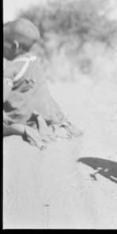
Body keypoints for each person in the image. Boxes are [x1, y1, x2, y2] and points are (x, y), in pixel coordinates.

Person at [3, 18, 82, 149]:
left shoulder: (11, 69)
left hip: (20, 117)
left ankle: (19, 130)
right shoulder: (34, 62)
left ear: (14, 46)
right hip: (41, 115)